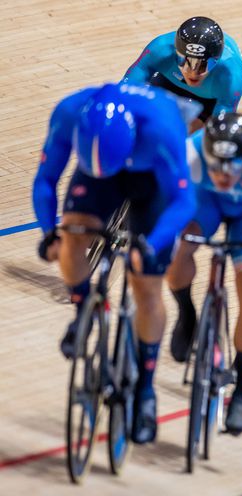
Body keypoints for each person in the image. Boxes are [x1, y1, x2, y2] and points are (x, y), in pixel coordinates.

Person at [32, 82, 195, 444]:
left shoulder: (162, 125)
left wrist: (151, 246)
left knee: (146, 283)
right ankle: (82, 311)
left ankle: (146, 391)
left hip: (150, 179)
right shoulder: (69, 113)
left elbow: (183, 202)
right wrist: (48, 233)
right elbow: (46, 180)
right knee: (73, 236)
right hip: (96, 173)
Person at [165, 112, 242, 434]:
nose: (224, 175)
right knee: (180, 248)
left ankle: (239, 396)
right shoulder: (189, 152)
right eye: (216, 166)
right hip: (204, 204)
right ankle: (186, 312)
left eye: (233, 167)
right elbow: (170, 208)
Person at [123, 16, 242, 132]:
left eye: (203, 65)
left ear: (217, 61)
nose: (193, 72)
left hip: (209, 99)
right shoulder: (160, 49)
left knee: (195, 133)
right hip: (168, 81)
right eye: (185, 62)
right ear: (174, 52)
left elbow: (219, 129)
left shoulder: (231, 76)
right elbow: (125, 91)